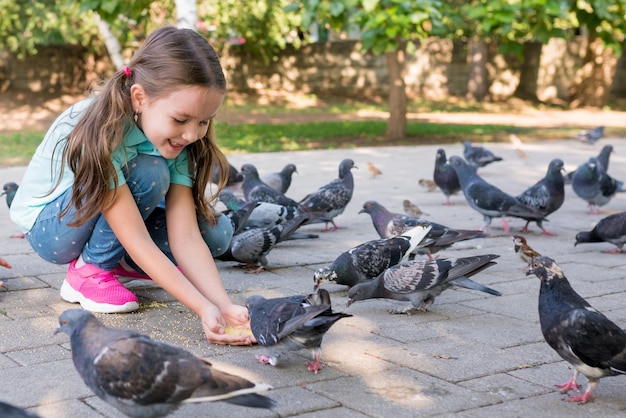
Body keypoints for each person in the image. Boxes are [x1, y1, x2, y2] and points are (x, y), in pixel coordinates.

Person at [9, 26, 253, 345]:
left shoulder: (180, 140)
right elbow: (137, 237)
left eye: (204, 121)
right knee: (149, 171)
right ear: (140, 98)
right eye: (181, 120)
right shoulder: (100, 129)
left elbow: (187, 236)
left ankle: (120, 260)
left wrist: (221, 306)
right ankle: (88, 272)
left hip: (106, 217)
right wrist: (200, 307)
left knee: (216, 235)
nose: (193, 134)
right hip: (52, 228)